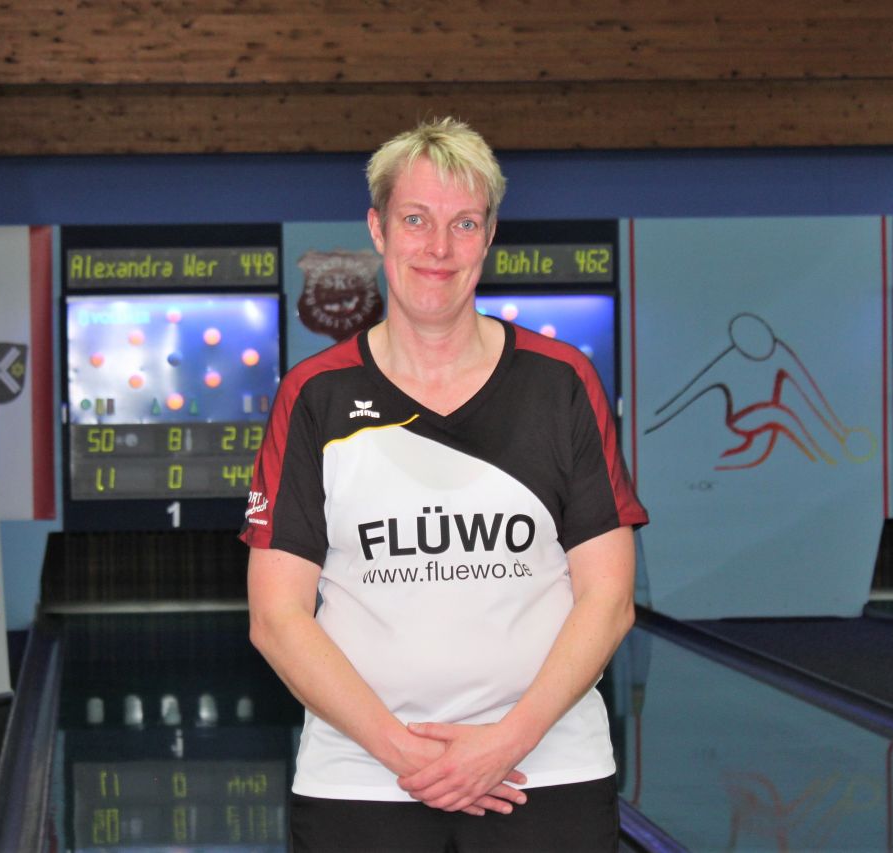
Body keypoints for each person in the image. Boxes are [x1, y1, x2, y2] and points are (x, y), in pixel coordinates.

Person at [240, 117, 648, 852]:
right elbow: (276, 616)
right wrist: (405, 754)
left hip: (546, 768)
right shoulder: (314, 397)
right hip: (362, 778)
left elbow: (609, 598)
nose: (439, 248)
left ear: (488, 236)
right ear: (378, 229)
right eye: (416, 220)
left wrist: (504, 743)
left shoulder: (562, 383)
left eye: (463, 223)